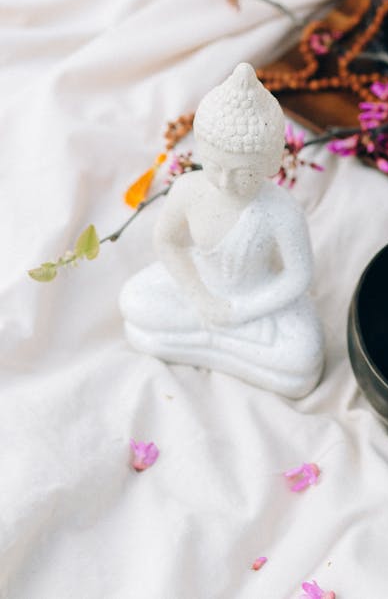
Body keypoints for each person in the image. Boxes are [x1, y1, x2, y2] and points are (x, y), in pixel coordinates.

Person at [119, 62, 324, 399]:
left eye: (242, 173)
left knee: (302, 355)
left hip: (256, 300)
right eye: (215, 166)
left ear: (272, 163)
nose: (225, 182)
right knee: (134, 301)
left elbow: (298, 276)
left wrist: (239, 311)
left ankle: (208, 338)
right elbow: (168, 242)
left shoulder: (282, 210)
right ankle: (215, 337)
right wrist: (202, 298)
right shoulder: (188, 188)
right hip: (200, 288)